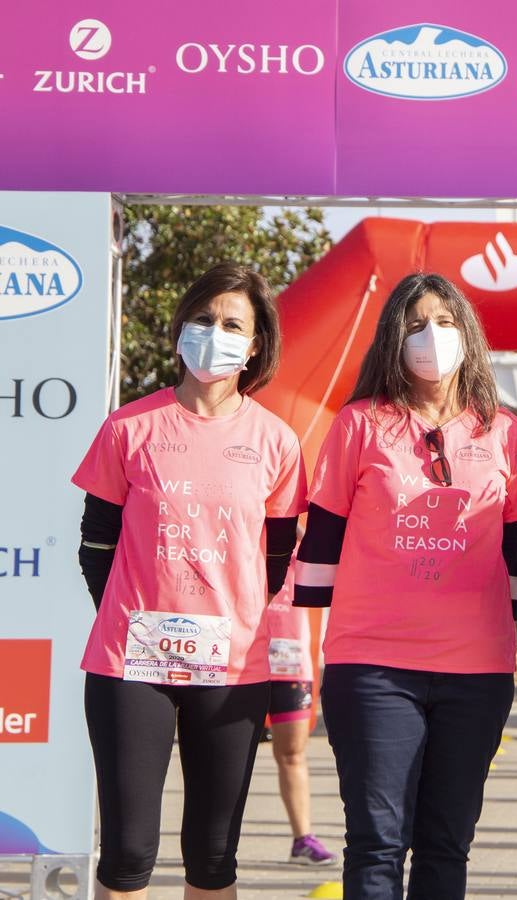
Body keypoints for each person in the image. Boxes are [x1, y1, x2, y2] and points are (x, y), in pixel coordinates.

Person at [294, 273, 517, 900]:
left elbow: (515, 559)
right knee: (375, 843)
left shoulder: (505, 431)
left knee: (446, 846)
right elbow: (320, 545)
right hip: (372, 667)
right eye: (417, 324)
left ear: (468, 336)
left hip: (477, 672)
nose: (433, 337)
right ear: (394, 338)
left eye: (447, 323)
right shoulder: (359, 425)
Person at [73, 263, 306, 900]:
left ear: (254, 345)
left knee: (212, 860)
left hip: (232, 673)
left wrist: (227, 614)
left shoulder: (277, 442)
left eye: (233, 324)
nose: (215, 332)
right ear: (181, 329)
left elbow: (277, 561)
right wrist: (130, 617)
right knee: (126, 856)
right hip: (132, 664)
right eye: (204, 319)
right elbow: (96, 546)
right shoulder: (128, 428)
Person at [264, 563, 336, 865]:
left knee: (293, 752)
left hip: (290, 659)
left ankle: (303, 839)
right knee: (220, 756)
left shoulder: (299, 539)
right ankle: (215, 845)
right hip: (239, 656)